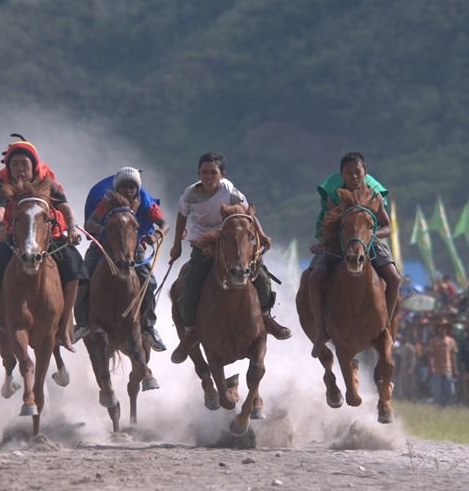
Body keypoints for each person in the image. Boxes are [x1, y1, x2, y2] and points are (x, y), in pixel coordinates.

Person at [168, 152, 290, 363]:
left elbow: (248, 215)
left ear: (222, 174)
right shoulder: (190, 195)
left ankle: (267, 318)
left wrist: (261, 234)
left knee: (259, 274)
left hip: (233, 241)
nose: (208, 176)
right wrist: (176, 244)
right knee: (190, 283)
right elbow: (181, 216)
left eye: (213, 172)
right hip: (204, 244)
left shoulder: (230, 191)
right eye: (204, 172)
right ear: (198, 174)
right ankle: (190, 332)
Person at [0, 136, 83, 352]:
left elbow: (65, 207)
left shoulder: (47, 182)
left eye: (25, 164)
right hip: (15, 237)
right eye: (15, 164)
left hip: (49, 234)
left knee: (75, 272)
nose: (20, 169)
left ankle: (63, 329)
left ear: (34, 165)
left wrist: (71, 228)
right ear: (8, 167)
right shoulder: (4, 183)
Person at [306, 152, 402, 357]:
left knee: (394, 279)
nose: (354, 177)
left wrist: (369, 234)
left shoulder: (374, 195)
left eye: (357, 172)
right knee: (314, 278)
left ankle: (385, 326)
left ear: (365, 173)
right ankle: (322, 332)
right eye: (349, 173)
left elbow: (387, 227)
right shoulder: (335, 195)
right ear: (342, 174)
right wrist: (323, 243)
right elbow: (329, 224)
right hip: (339, 241)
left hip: (367, 242)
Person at [74, 167, 169, 352]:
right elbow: (89, 224)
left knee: (149, 282)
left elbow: (164, 224)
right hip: (103, 246)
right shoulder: (107, 202)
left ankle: (148, 327)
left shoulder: (145, 202)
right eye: (124, 186)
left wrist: (156, 236)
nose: (128, 190)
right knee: (83, 279)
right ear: (117, 187)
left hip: (134, 248)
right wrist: (103, 231)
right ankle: (83, 324)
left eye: (132, 186)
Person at [427, 318, 458, 407]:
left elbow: (453, 355)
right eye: (441, 328)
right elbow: (431, 355)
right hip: (437, 369)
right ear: (438, 329)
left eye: (445, 328)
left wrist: (455, 369)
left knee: (450, 391)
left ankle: (446, 406)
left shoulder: (451, 341)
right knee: (437, 391)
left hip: (448, 369)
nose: (443, 330)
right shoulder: (433, 341)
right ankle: (438, 407)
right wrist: (431, 366)